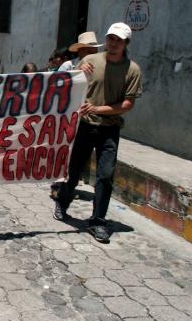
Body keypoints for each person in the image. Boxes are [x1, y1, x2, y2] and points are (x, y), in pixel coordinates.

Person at [54, 23, 142, 243]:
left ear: (126, 43)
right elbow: (67, 87)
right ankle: (62, 203)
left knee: (105, 175)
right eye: (111, 38)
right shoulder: (90, 61)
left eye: (118, 40)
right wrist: (77, 73)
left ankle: (98, 221)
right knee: (73, 171)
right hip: (84, 125)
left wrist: (98, 109)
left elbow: (127, 104)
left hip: (110, 128)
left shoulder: (132, 70)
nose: (113, 43)